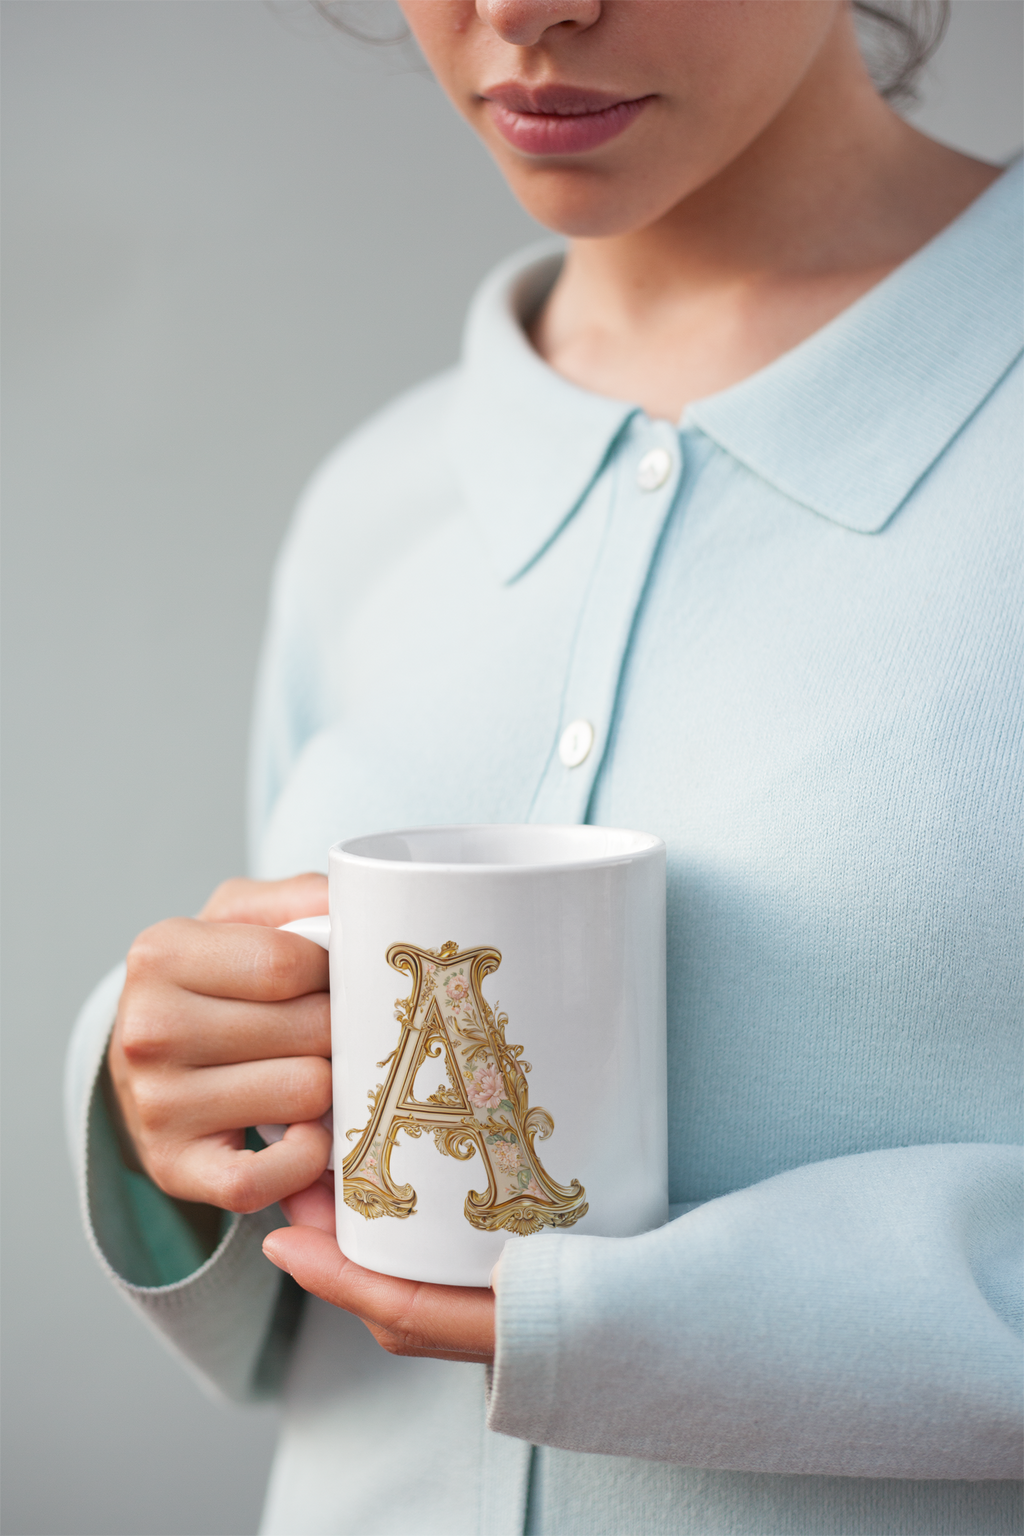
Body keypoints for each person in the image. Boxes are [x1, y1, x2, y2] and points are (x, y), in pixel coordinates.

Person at [66, 1, 1024, 1532]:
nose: (520, 11)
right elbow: (303, 1222)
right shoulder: (376, 504)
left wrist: (663, 1323)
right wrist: (172, 1094)